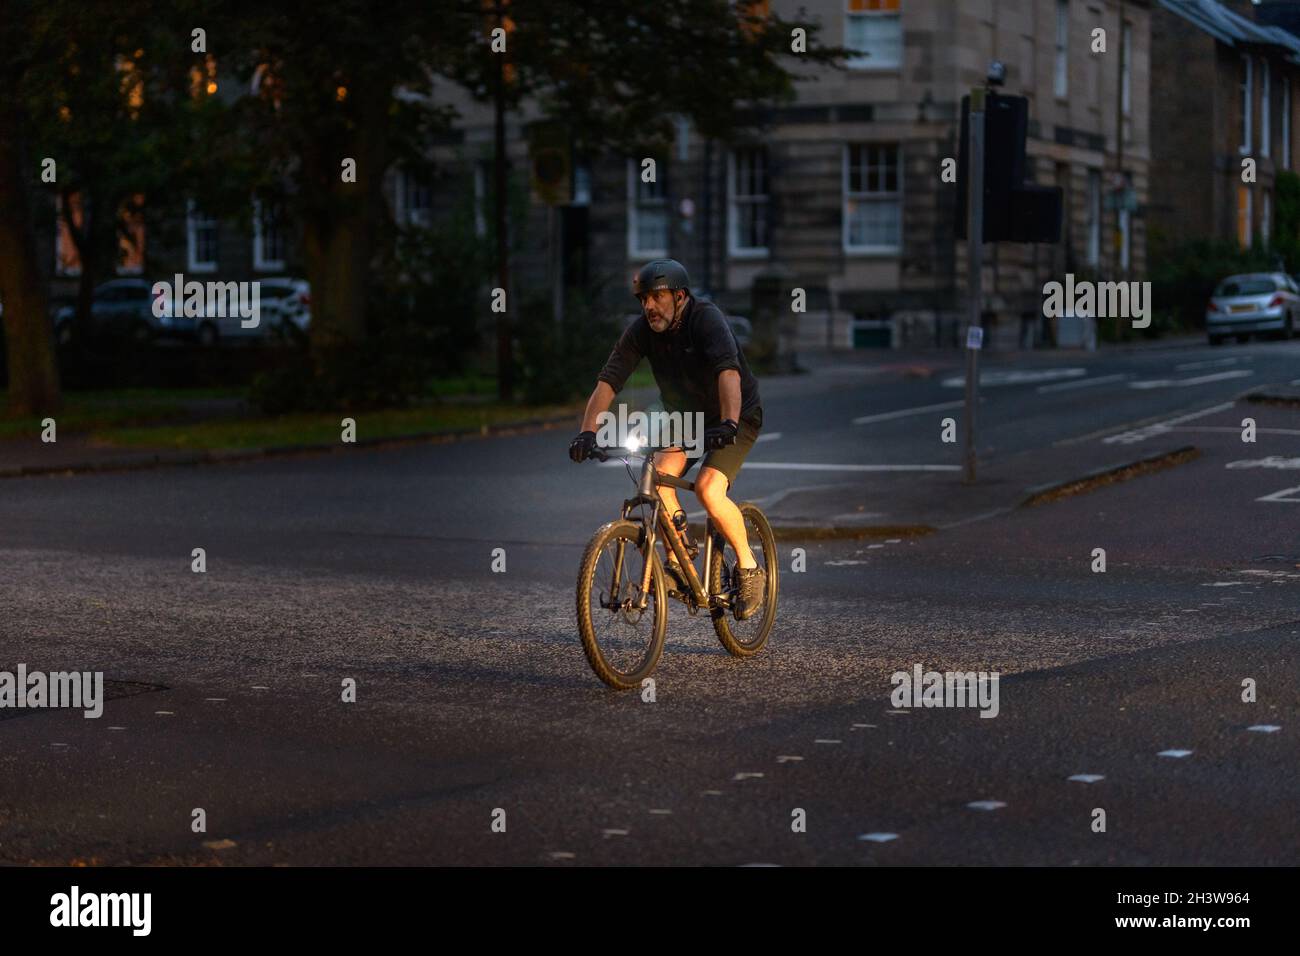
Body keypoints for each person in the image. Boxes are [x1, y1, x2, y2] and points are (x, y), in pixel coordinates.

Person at [568, 258, 767, 619]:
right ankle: (678, 557)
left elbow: (728, 371)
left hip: (736, 416)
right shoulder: (642, 330)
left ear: (679, 296)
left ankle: (750, 568)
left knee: (708, 489)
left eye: (656, 297)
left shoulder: (706, 319)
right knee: (657, 478)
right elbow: (610, 380)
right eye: (643, 299)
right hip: (686, 416)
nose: (648, 306)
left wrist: (729, 423)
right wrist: (587, 432)